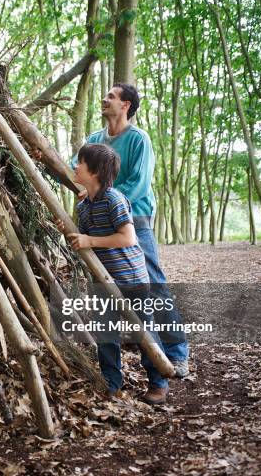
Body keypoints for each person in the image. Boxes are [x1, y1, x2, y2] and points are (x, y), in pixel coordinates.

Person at [74, 83, 190, 377]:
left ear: (126, 105)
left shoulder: (138, 140)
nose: (105, 99)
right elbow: (77, 170)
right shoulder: (95, 139)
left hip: (134, 220)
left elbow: (138, 183)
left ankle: (176, 354)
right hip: (100, 223)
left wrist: (103, 196)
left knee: (153, 285)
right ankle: (118, 364)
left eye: (111, 96)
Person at [55, 143, 169, 404]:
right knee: (106, 333)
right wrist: (68, 230)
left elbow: (128, 238)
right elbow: (83, 238)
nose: (75, 166)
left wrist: (89, 241)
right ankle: (112, 384)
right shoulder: (84, 206)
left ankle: (158, 383)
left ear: (94, 172)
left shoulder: (114, 199)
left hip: (131, 279)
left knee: (143, 331)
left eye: (80, 163)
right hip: (103, 281)